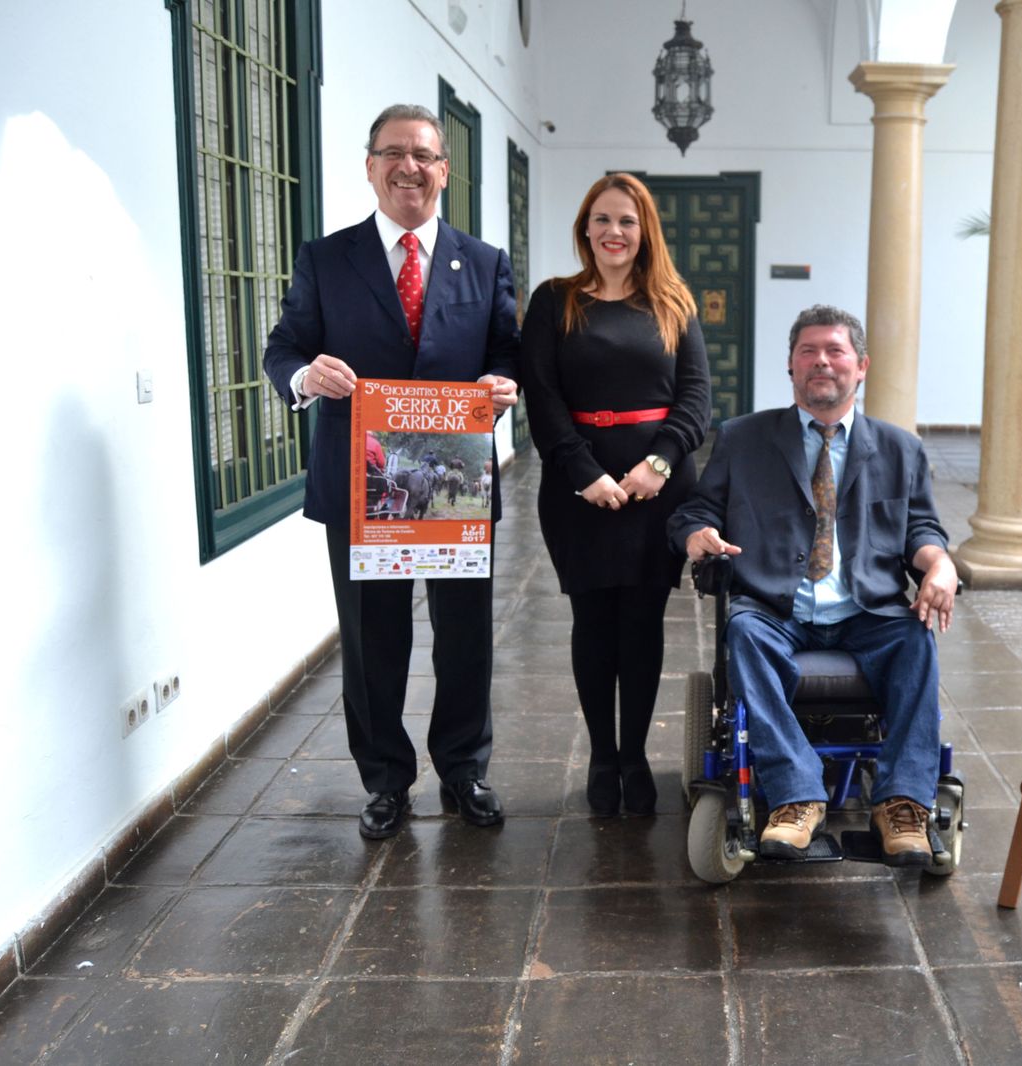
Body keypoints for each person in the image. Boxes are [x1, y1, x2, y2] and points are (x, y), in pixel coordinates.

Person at [263, 103, 520, 840]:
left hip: (455, 485)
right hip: (363, 486)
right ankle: (384, 780)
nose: (410, 167)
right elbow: (283, 350)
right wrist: (305, 376)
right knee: (372, 638)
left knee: (463, 635)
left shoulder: (484, 262)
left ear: (445, 170)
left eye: (425, 155)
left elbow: (506, 351)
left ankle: (464, 768)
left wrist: (503, 385)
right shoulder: (326, 259)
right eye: (394, 154)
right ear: (370, 166)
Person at [667, 305, 958, 865]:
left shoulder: (900, 449)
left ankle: (902, 803)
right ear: (791, 366)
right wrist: (698, 534)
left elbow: (920, 529)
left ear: (861, 366)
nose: (821, 361)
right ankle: (797, 795)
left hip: (866, 610)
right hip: (776, 608)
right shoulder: (743, 438)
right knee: (744, 634)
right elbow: (695, 512)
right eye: (808, 351)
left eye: (835, 351)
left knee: (915, 641)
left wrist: (939, 564)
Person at [523, 173, 711, 817]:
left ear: (644, 230)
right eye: (601, 219)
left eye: (627, 220)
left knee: (642, 622)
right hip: (578, 488)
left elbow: (696, 397)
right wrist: (583, 472)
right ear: (585, 228)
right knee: (593, 621)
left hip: (657, 489)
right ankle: (602, 757)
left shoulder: (673, 302)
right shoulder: (554, 301)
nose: (614, 231)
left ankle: (635, 755)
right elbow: (542, 396)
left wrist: (658, 463)